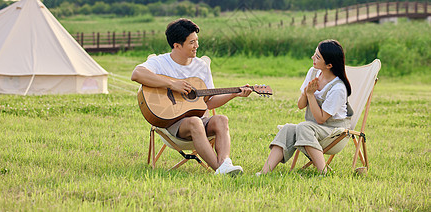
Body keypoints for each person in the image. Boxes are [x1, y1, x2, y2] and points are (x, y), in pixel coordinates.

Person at [131, 18, 252, 175]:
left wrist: (234, 94)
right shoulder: (160, 62)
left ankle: (225, 163)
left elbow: (208, 102)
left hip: (199, 121)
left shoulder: (201, 66)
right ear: (177, 45)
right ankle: (221, 170)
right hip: (170, 122)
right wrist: (172, 84)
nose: (197, 46)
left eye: (197, 41)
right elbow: (137, 74)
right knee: (195, 122)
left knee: (221, 120)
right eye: (192, 42)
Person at [259, 39, 352, 175]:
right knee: (288, 129)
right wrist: (307, 93)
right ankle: (264, 172)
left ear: (329, 65)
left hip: (333, 133)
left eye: (317, 57)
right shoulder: (313, 72)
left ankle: (323, 173)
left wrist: (310, 94)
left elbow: (321, 119)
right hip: (312, 129)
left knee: (303, 126)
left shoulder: (338, 88)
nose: (312, 58)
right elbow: (300, 105)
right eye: (315, 54)